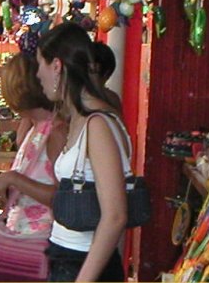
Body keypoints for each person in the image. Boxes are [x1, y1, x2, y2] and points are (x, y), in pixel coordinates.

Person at [37, 23, 129, 282]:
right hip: (71, 258)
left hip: (83, 263)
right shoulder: (84, 119)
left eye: (40, 64)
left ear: (57, 66)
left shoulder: (97, 124)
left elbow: (115, 215)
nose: (38, 74)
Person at [0, 53, 67, 234]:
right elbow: (21, 196)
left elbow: (62, 197)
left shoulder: (56, 132)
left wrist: (11, 178)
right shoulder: (35, 129)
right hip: (24, 235)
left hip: (41, 237)